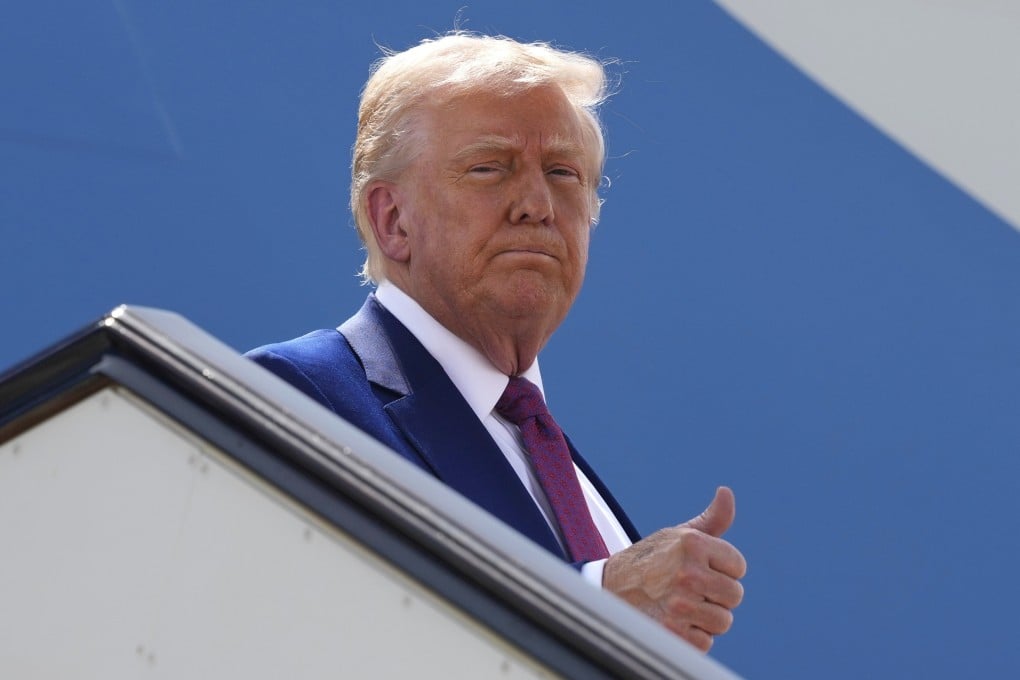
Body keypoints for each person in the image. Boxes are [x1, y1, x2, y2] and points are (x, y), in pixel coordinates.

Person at [247, 32, 746, 652]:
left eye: (563, 173)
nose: (537, 205)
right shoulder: (298, 394)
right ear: (392, 220)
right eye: (489, 167)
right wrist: (597, 603)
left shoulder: (548, 455)